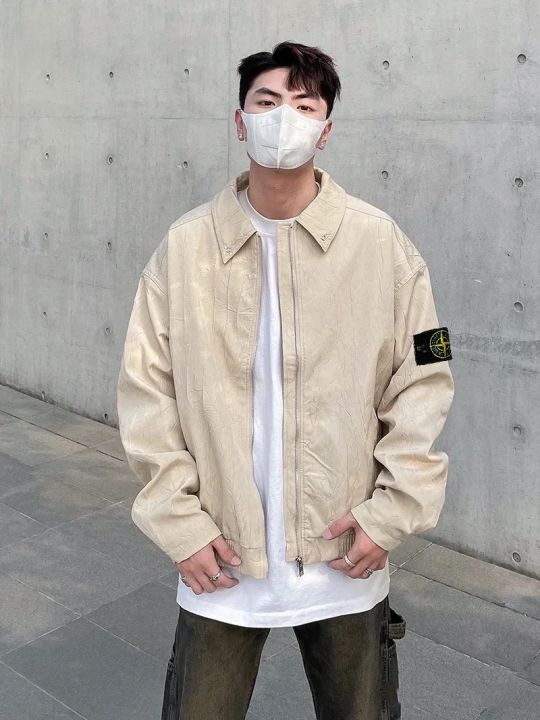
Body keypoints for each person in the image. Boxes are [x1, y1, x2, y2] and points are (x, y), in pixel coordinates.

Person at [116, 40, 454, 720]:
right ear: (240, 120)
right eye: (267, 102)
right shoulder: (185, 247)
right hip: (221, 558)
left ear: (325, 130)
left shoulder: (381, 244)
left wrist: (391, 513)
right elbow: (146, 391)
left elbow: (425, 374)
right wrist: (179, 524)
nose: (283, 119)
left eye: (304, 105)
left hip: (344, 556)